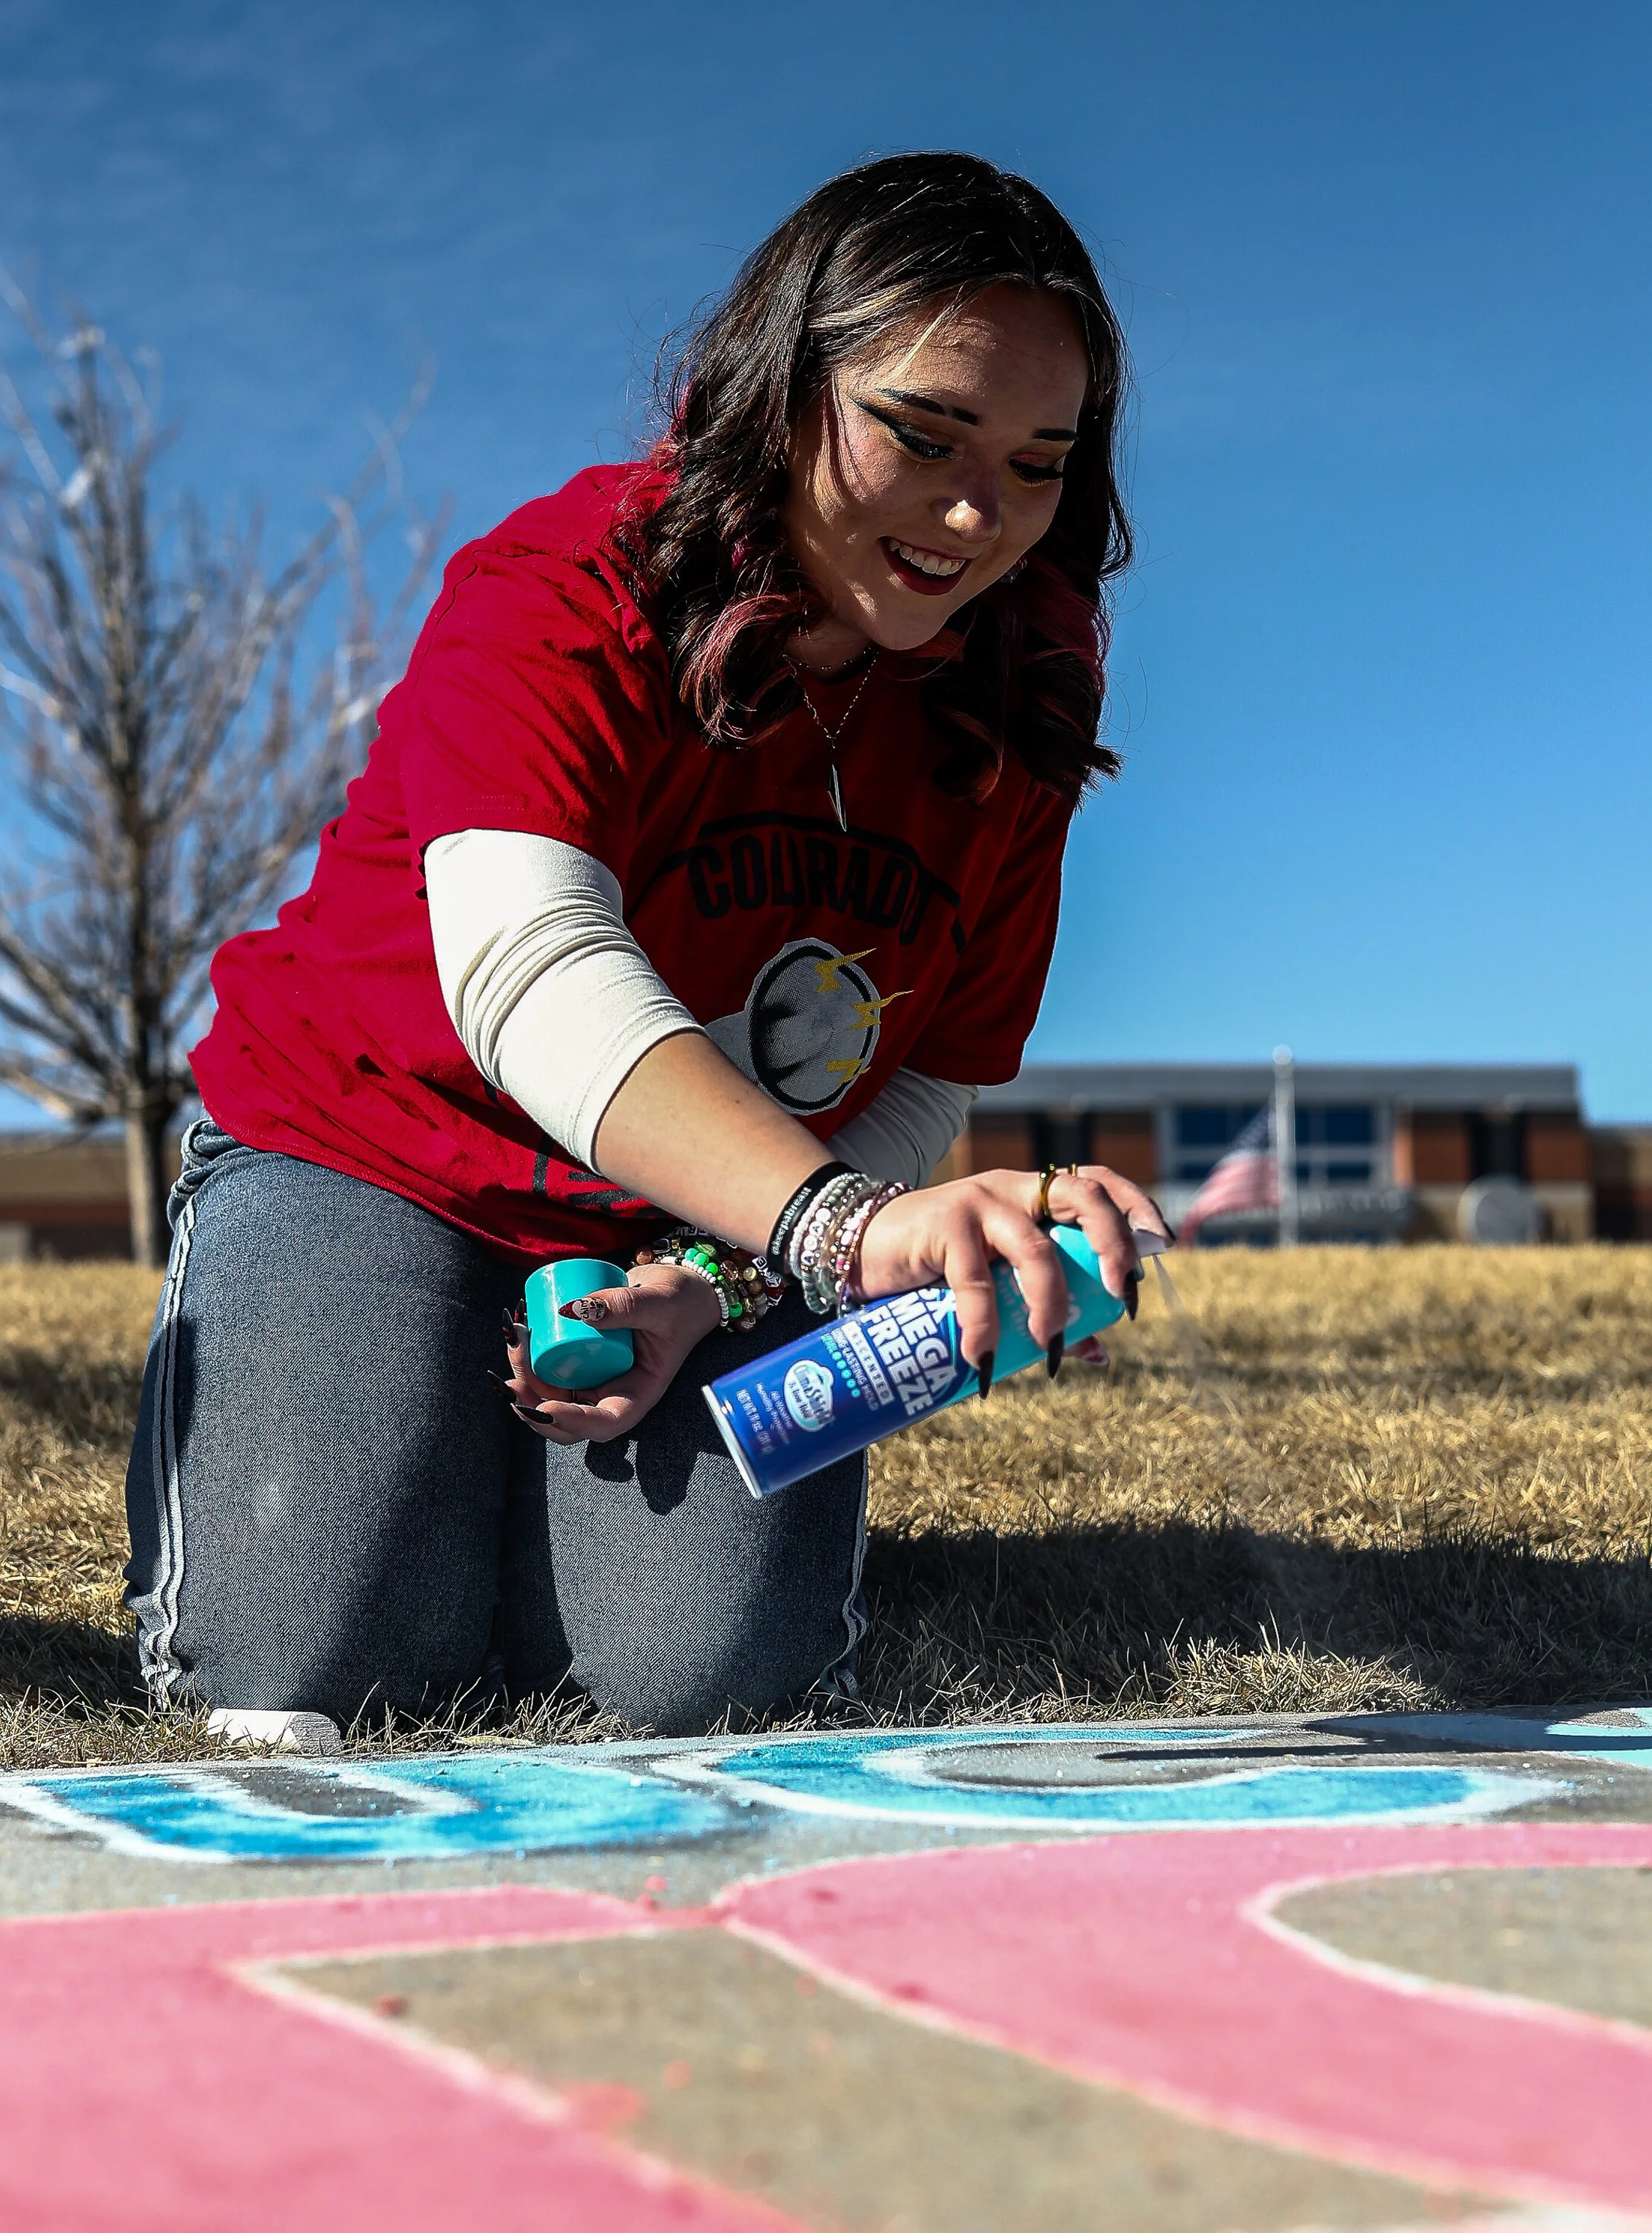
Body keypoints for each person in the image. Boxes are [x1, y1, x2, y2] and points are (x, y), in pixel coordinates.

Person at [124, 150, 1168, 1739]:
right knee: (308, 1676)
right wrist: (833, 1232)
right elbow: (528, 974)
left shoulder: (1021, 696)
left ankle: (505, 1501)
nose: (975, 514)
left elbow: (931, 1061)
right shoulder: (561, 588)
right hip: (372, 1154)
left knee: (703, 1678)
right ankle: (381, 1421)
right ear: (773, 387)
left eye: (1037, 462)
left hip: (696, 1224)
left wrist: (719, 1279)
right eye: (920, 431)